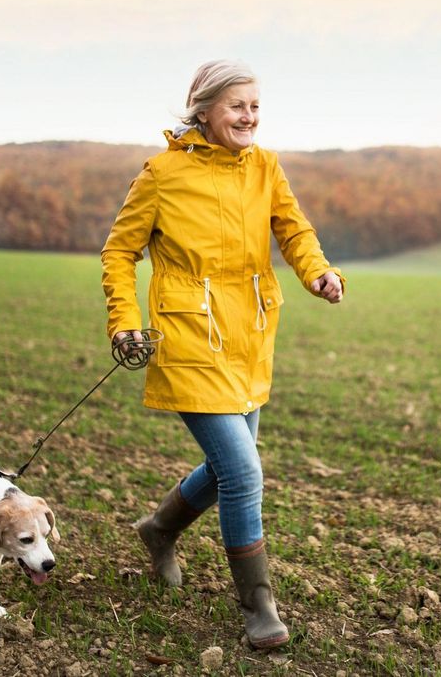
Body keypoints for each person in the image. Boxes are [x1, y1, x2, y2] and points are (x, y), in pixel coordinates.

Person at [100, 59, 344, 649]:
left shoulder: (266, 166)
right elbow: (118, 252)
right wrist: (124, 321)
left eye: (255, 106)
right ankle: (259, 605)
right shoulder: (161, 174)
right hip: (186, 339)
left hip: (249, 336)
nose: (250, 116)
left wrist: (317, 273)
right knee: (242, 471)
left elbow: (294, 230)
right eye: (238, 105)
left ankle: (159, 530)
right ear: (204, 109)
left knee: (229, 466)